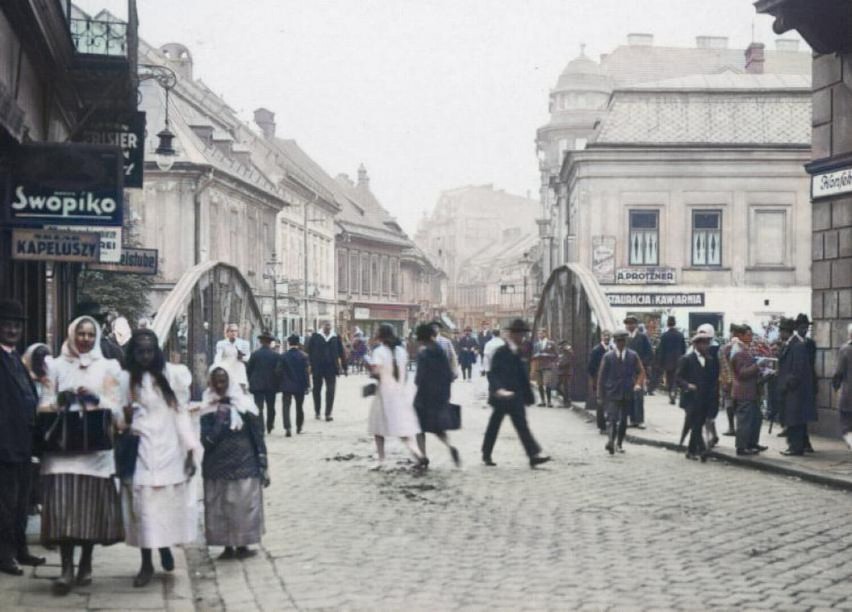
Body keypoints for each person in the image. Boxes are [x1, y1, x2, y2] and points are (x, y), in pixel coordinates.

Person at [39, 316, 124, 595]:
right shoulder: (55, 365)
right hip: (62, 450)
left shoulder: (107, 367)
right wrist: (62, 399)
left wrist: (95, 398)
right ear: (72, 334)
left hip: (93, 451)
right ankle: (66, 568)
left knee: (88, 511)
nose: (85, 339)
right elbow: (44, 402)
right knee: (64, 510)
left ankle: (86, 562)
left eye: (90, 335)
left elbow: (117, 408)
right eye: (81, 334)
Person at [119, 329, 199, 588]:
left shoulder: (171, 376)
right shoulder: (126, 380)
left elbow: (181, 414)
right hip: (140, 447)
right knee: (142, 506)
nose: (145, 356)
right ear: (133, 352)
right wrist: (125, 418)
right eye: (140, 351)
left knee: (163, 506)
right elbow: (117, 418)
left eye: (149, 351)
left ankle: (164, 545)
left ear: (156, 352)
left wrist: (189, 449)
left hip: (167, 448)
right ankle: (145, 562)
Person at [200, 367, 269, 560]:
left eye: (223, 381)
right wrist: (220, 420)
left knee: (243, 506)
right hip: (217, 465)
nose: (220, 386)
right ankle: (226, 546)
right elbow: (206, 441)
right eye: (216, 382)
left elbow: (257, 435)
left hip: (244, 463)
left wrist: (263, 462)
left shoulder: (245, 405)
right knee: (221, 507)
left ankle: (242, 544)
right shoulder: (207, 407)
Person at [0, 299, 45, 576]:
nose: (12, 330)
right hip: (4, 443)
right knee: (5, 503)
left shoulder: (15, 357)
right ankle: (5, 556)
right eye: (6, 325)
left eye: (16, 326)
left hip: (23, 441)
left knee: (21, 503)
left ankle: (20, 549)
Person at [481, 319, 551, 468]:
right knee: (494, 426)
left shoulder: (519, 352)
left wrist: (528, 395)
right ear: (512, 335)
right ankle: (486, 454)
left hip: (516, 397)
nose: (522, 338)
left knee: (522, 426)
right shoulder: (500, 352)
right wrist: (498, 389)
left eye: (523, 334)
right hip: (502, 397)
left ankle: (533, 455)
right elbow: (493, 373)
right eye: (520, 334)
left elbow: (521, 376)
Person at [366, 325, 426, 470]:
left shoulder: (379, 352)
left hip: (384, 393)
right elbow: (404, 373)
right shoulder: (401, 351)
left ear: (380, 335)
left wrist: (369, 368)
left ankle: (381, 460)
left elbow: (377, 373)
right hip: (399, 393)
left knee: (378, 428)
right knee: (402, 427)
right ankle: (418, 453)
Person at [413, 324, 461, 467]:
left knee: (418, 427)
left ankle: (422, 457)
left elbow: (419, 378)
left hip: (424, 396)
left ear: (421, 338)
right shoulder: (440, 350)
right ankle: (449, 446)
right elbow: (448, 374)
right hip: (440, 394)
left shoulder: (423, 353)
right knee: (437, 427)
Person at [597, 329, 646, 455]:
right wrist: (600, 395)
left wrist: (637, 384)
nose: (620, 343)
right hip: (612, 391)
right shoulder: (608, 356)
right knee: (612, 418)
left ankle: (619, 443)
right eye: (618, 341)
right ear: (615, 341)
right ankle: (610, 441)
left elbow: (641, 371)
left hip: (627, 391)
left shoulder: (633, 355)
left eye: (623, 341)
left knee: (624, 419)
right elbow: (601, 377)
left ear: (626, 341)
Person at [676, 330, 719, 461]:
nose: (706, 346)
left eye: (707, 343)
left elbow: (712, 379)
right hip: (691, 398)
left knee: (698, 424)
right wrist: (687, 385)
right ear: (696, 345)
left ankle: (692, 450)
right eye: (703, 344)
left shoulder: (710, 360)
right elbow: (678, 378)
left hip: (704, 398)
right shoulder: (686, 359)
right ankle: (700, 449)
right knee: (695, 424)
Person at [777, 317, 817, 456]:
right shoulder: (789, 345)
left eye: (780, 330)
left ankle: (796, 447)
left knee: (795, 419)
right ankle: (793, 446)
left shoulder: (797, 346)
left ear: (785, 331)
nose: (779, 333)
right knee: (791, 419)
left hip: (795, 391)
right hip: (790, 390)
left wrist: (787, 384)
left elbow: (798, 370)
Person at [731, 325, 770, 456]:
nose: (751, 337)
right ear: (741, 335)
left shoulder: (744, 349)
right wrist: (757, 365)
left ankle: (752, 443)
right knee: (745, 420)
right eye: (748, 335)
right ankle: (742, 446)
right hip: (744, 391)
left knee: (755, 418)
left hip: (751, 390)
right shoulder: (738, 351)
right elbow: (742, 373)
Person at [305, 321, 346, 422]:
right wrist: (309, 364)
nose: (327, 327)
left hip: (331, 368)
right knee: (316, 390)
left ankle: (328, 413)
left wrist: (345, 367)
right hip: (317, 367)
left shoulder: (335, 338)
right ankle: (317, 411)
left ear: (331, 327)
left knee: (331, 390)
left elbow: (341, 352)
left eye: (329, 325)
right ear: (322, 326)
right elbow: (308, 351)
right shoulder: (315, 337)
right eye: (326, 325)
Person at [246, 331, 283, 433]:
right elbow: (279, 371)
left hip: (257, 385)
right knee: (271, 407)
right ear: (270, 342)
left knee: (259, 407)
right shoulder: (276, 356)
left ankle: (260, 428)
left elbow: (249, 370)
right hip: (271, 385)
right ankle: (270, 425)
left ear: (261, 342)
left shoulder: (255, 354)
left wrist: (250, 381)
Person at [624, 316, 651, 429]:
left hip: (639, 370)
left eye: (632, 323)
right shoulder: (624, 337)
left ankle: (639, 420)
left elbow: (649, 353)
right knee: (629, 395)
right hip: (627, 370)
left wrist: (643, 364)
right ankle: (632, 419)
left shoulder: (642, 337)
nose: (630, 325)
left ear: (635, 324)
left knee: (639, 395)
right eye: (628, 323)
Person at [280, 334, 310, 435]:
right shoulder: (304, 356)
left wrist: (280, 382)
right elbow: (306, 373)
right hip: (300, 385)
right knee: (299, 407)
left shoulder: (283, 356)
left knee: (286, 406)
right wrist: (307, 385)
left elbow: (278, 371)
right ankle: (299, 427)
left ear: (289, 343)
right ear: (298, 343)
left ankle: (287, 427)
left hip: (286, 385)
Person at [719, 324, 742, 437]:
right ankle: (738, 427)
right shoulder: (742, 346)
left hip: (729, 379)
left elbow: (723, 361)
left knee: (729, 403)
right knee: (737, 404)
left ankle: (731, 427)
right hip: (739, 379)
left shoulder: (727, 347)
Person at [656, 316, 685, 405]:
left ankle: (670, 394)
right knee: (676, 378)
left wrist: (660, 362)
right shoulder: (680, 335)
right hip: (678, 360)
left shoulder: (664, 336)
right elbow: (684, 349)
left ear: (668, 324)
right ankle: (674, 392)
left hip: (668, 361)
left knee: (669, 378)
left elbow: (661, 350)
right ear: (675, 323)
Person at [587, 330, 611, 435]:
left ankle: (609, 423)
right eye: (605, 336)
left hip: (610, 379)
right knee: (601, 402)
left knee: (610, 402)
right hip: (599, 379)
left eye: (608, 336)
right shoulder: (596, 350)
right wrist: (594, 380)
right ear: (601, 337)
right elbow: (591, 367)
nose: (606, 338)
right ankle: (602, 426)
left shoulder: (612, 349)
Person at [831, 324, 852, 449]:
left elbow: (839, 372)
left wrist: (835, 386)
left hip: (849, 395)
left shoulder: (845, 349)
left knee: (846, 425)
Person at [531, 329, 558, 407]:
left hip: (547, 366)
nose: (540, 335)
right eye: (538, 333)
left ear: (545, 334)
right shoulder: (536, 345)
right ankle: (542, 401)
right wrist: (535, 356)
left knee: (547, 383)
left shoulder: (551, 343)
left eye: (541, 333)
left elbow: (555, 355)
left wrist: (547, 355)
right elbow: (532, 355)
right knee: (539, 384)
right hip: (538, 366)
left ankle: (549, 401)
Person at [555, 341, 574, 407]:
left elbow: (567, 361)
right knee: (558, 387)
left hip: (566, 372)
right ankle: (566, 400)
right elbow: (560, 359)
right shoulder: (562, 352)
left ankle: (566, 402)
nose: (559, 347)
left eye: (560, 346)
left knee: (565, 387)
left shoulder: (568, 351)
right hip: (561, 372)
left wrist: (559, 364)